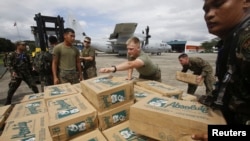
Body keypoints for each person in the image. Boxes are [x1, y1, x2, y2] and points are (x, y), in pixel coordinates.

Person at [192, 0, 250, 140]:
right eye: (205, 10)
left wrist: (223, 134)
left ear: (246, 2)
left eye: (218, 4)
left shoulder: (246, 42)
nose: (209, 15)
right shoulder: (231, 41)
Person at [5, 41, 39, 105]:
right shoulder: (12, 54)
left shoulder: (25, 54)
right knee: (12, 88)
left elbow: (30, 62)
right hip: (17, 74)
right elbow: (9, 64)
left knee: (33, 86)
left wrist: (33, 67)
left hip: (26, 73)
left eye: (25, 45)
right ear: (18, 46)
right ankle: (8, 102)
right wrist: (13, 72)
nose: (24, 46)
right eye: (23, 45)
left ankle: (39, 97)